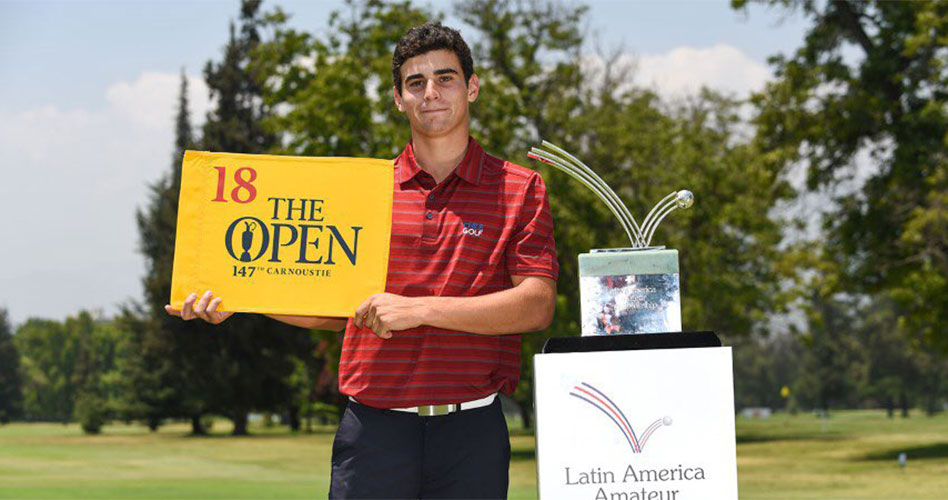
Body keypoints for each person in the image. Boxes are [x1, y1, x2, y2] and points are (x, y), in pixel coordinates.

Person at [167, 22, 558, 500]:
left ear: (472, 87)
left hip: (471, 434)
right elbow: (334, 310)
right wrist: (243, 297)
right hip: (373, 434)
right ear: (398, 98)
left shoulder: (520, 188)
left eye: (446, 78)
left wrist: (418, 309)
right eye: (415, 83)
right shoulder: (362, 193)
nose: (431, 92)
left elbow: (536, 304)